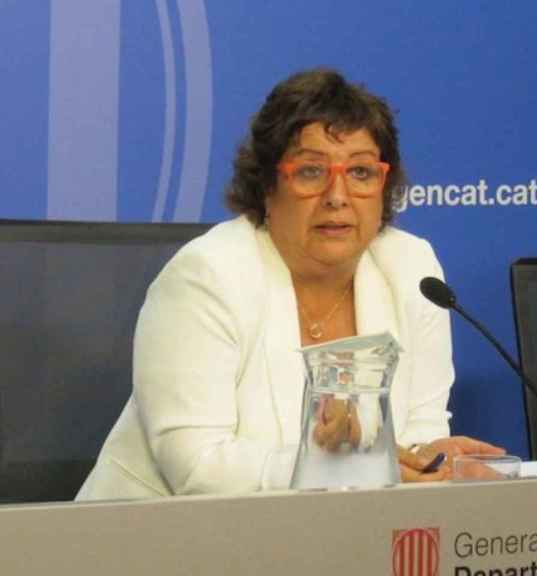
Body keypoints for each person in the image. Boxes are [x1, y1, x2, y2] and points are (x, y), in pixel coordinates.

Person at [77, 68, 501, 499]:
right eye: (312, 172)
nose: (337, 196)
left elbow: (414, 436)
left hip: (336, 542)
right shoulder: (207, 276)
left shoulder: (412, 268)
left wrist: (430, 459)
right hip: (155, 545)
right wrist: (335, 466)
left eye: (360, 172)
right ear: (267, 184)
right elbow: (197, 467)